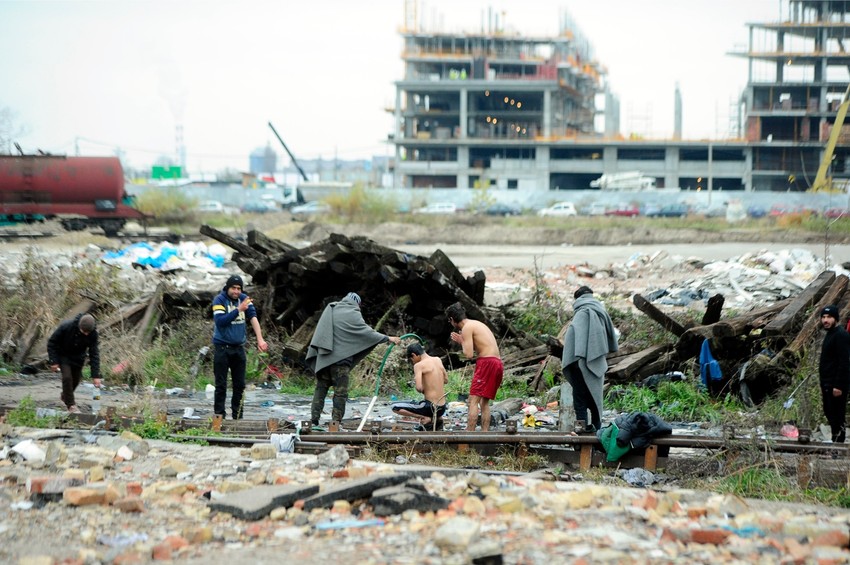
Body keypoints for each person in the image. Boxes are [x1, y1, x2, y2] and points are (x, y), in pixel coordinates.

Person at [306, 292, 401, 426]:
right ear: (357, 303)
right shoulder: (353, 313)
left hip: (324, 359)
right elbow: (366, 332)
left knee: (320, 389)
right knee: (340, 393)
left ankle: (314, 420)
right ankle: (335, 423)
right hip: (340, 363)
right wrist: (388, 338)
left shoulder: (332, 308)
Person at [561, 286, 618, 433]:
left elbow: (573, 340)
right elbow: (610, 336)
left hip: (577, 364)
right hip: (597, 361)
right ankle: (598, 432)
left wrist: (579, 358)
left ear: (577, 299)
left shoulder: (581, 313)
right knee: (595, 399)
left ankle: (581, 433)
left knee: (580, 400)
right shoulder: (601, 311)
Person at [211, 274, 268, 419]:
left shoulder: (244, 299)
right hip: (222, 348)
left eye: (238, 288)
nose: (236, 291)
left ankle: (238, 416)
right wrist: (238, 310)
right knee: (221, 385)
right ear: (227, 287)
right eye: (233, 288)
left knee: (240, 385)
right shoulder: (220, 299)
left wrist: (260, 339)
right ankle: (219, 415)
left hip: (238, 348)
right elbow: (220, 321)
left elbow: (253, 317)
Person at [446, 302, 503, 431]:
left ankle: (469, 435)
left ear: (452, 320)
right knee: (484, 402)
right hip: (497, 363)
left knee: (473, 400)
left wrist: (462, 341)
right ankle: (484, 434)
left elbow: (469, 354)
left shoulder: (466, 328)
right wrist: (463, 340)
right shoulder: (476, 323)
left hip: (487, 363)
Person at [47, 313, 101, 414]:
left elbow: (94, 354)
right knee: (67, 378)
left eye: (88, 332)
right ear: (79, 326)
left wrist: (96, 375)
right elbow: (52, 343)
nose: (86, 334)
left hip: (78, 358)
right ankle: (71, 405)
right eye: (84, 331)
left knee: (76, 380)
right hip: (63, 355)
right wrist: (53, 361)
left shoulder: (93, 334)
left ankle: (65, 396)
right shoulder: (66, 327)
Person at [392, 343, 449, 431]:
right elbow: (446, 380)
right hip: (442, 408)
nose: (413, 361)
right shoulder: (437, 360)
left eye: (412, 359)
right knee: (415, 403)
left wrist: (422, 384)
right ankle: (437, 418)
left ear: (414, 355)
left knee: (395, 407)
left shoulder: (419, 365)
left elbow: (419, 388)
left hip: (430, 407)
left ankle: (424, 417)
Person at [818, 305, 849, 443]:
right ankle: (835, 442)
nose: (825, 320)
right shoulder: (830, 334)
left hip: (835, 384)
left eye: (829, 317)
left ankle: (838, 446)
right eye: (823, 317)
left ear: (835, 318)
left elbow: (844, 362)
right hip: (827, 382)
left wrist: (838, 385)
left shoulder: (840, 335)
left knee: (837, 415)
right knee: (830, 413)